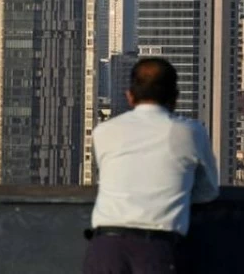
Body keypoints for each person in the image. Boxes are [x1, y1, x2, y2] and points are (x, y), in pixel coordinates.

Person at [84, 57, 219, 273]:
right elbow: (209, 191)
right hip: (155, 249)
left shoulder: (104, 132)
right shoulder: (190, 132)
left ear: (130, 96)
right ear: (175, 97)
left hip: (105, 249)